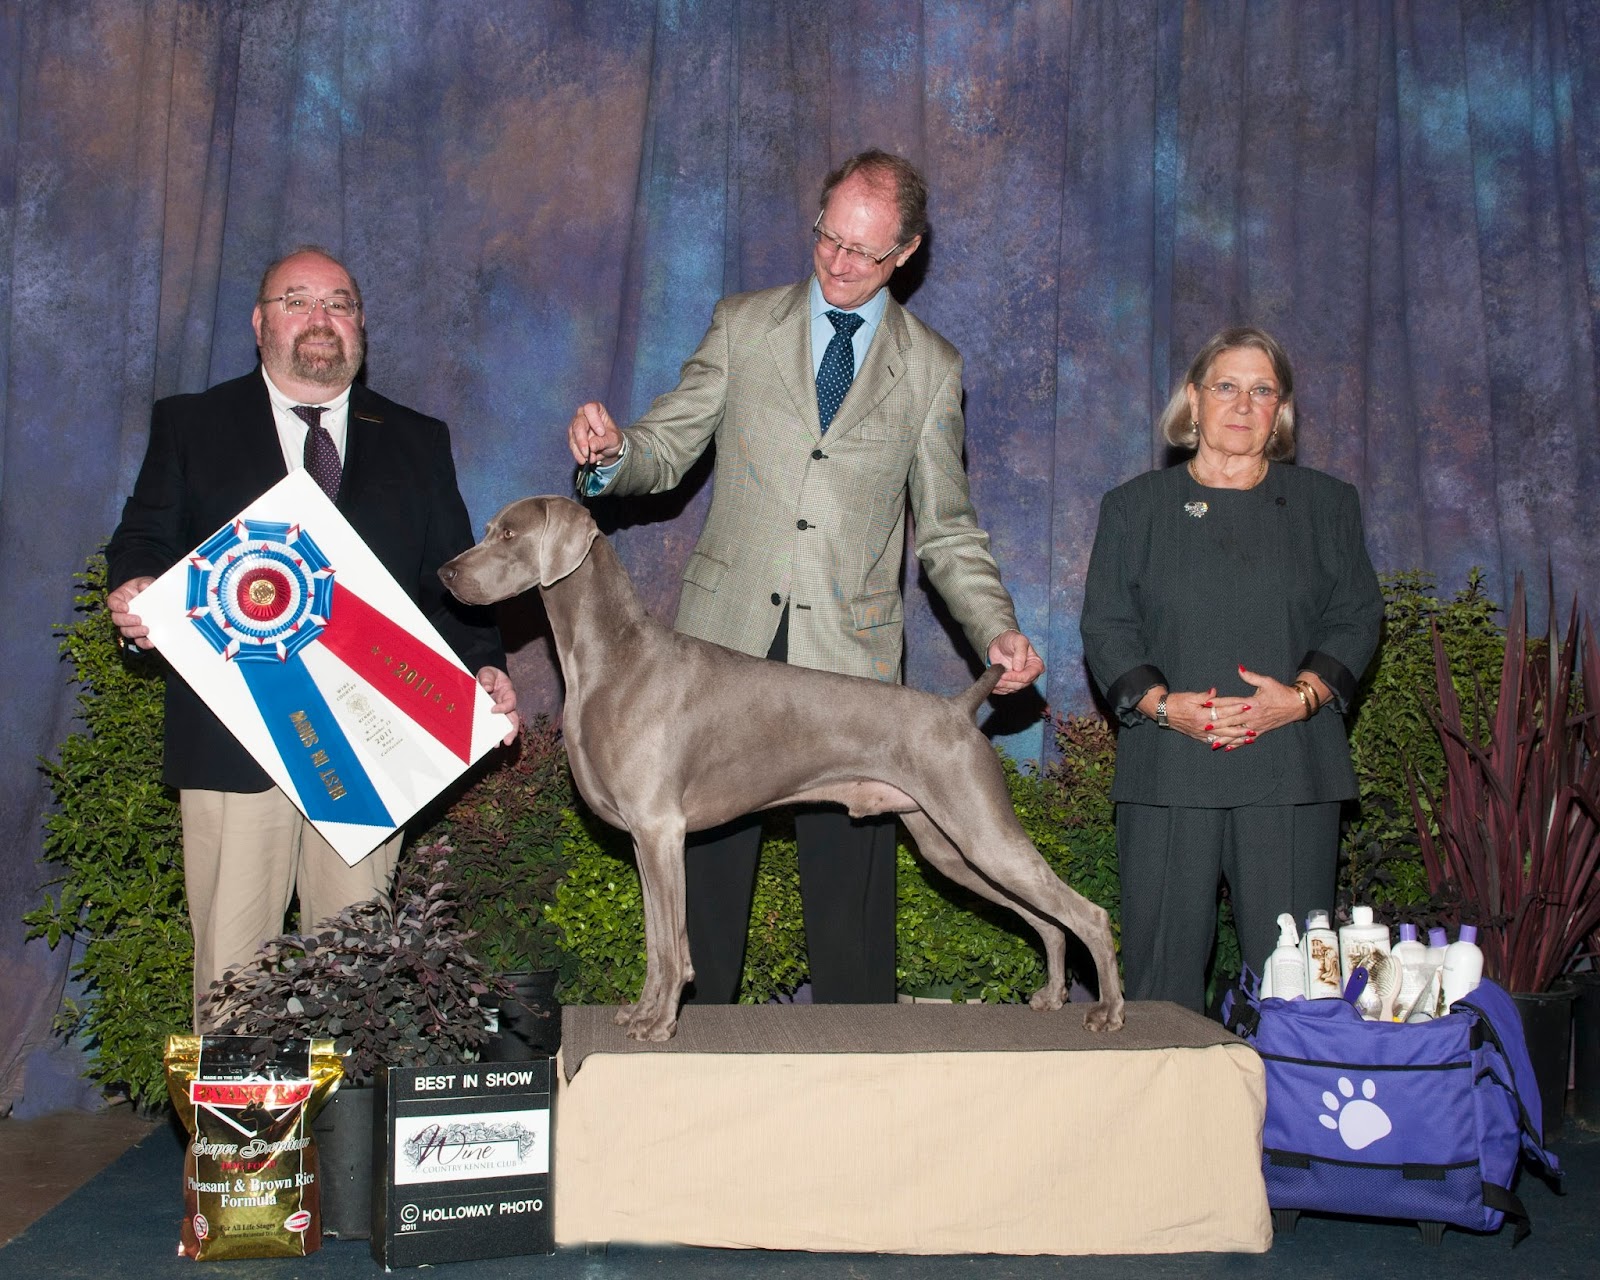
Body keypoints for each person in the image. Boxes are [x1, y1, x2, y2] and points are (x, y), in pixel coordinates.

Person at [566, 149, 1043, 1005]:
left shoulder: (932, 368)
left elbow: (945, 528)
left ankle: (860, 1086)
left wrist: (993, 628)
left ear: (907, 253)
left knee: (850, 918)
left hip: (848, 667)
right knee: (701, 893)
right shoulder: (744, 324)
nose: (839, 262)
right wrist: (614, 456)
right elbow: (668, 445)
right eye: (830, 236)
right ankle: (695, 1072)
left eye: (864, 252)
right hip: (721, 658)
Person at [106, 246, 519, 1020]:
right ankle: (245, 1141)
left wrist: (483, 665)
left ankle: (348, 1140)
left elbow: (452, 583)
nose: (320, 320)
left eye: (339, 302)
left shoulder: (417, 437)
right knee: (234, 977)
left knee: (358, 968)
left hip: (369, 746)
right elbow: (143, 540)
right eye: (297, 302)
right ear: (260, 323)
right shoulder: (191, 423)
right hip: (234, 739)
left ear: (361, 325)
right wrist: (134, 588)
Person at [1079, 325, 1382, 1013]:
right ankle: (1166, 1118)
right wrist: (1161, 705)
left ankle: (1290, 1116)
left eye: (1261, 390)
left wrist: (1301, 699)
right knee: (1158, 984)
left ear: (1280, 409)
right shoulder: (1133, 509)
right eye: (1226, 386)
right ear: (1193, 399)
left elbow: (1357, 615)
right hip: (1167, 767)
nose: (1242, 404)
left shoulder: (1327, 506)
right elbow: (1107, 626)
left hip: (1290, 767)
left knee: (1295, 984)